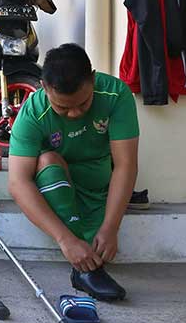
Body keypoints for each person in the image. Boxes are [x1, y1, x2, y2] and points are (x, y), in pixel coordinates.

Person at [8, 43, 139, 301]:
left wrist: (111, 227)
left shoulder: (116, 94)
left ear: (92, 78)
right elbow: (18, 182)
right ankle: (86, 270)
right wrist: (65, 240)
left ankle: (88, 256)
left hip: (100, 190)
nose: (74, 113)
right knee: (47, 161)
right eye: (62, 108)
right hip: (58, 191)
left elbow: (126, 164)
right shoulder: (33, 112)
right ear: (44, 89)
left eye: (83, 103)